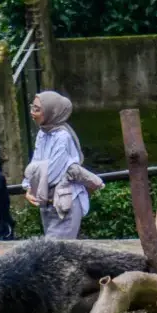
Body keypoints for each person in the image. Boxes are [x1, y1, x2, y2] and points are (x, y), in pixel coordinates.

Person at [25, 91, 91, 239]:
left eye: (37, 109)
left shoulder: (63, 137)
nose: (32, 113)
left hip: (65, 202)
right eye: (32, 107)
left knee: (56, 254)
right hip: (47, 201)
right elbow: (36, 161)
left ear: (51, 112)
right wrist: (29, 186)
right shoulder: (43, 133)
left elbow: (52, 173)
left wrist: (33, 184)